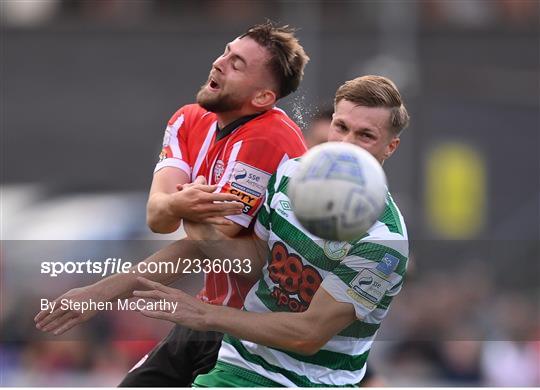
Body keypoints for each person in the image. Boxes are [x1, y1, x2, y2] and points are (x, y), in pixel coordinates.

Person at [34, 22, 309, 387]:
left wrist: (104, 291)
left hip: (251, 333)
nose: (220, 63)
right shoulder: (188, 118)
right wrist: (184, 205)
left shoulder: (268, 136)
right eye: (226, 51)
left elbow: (214, 246)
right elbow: (158, 218)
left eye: (238, 64)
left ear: (261, 98)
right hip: (206, 315)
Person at [133, 75, 411, 386]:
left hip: (310, 383)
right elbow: (255, 261)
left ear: (391, 147)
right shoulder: (290, 174)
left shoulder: (383, 239)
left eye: (365, 136)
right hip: (237, 364)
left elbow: (308, 334)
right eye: (341, 127)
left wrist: (204, 314)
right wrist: (196, 213)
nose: (345, 144)